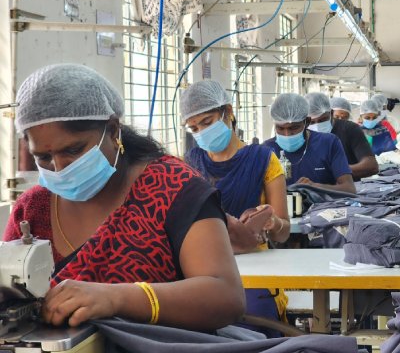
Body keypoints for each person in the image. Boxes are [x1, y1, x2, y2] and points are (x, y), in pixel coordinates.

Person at [3, 64, 245, 331]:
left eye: (73, 150)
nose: (59, 168)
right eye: (43, 157)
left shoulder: (173, 187)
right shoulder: (31, 209)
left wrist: (116, 298)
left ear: (113, 130)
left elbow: (226, 296)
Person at [180, 79, 289, 337]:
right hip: (203, 269)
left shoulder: (264, 159)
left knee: (253, 325)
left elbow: (284, 232)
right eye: (194, 128)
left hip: (255, 272)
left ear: (228, 112)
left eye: (207, 122)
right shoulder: (188, 164)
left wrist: (273, 223)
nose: (201, 132)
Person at [264, 93, 356, 194]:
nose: (287, 134)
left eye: (293, 128)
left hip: (324, 204)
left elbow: (349, 188)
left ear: (307, 122)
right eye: (280, 128)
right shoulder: (266, 151)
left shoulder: (328, 143)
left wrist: (313, 187)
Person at [305, 92, 378, 181]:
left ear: (331, 113)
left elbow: (371, 166)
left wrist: (334, 170)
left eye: (323, 120)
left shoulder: (349, 129)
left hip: (347, 187)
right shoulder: (300, 134)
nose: (317, 126)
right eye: (312, 122)